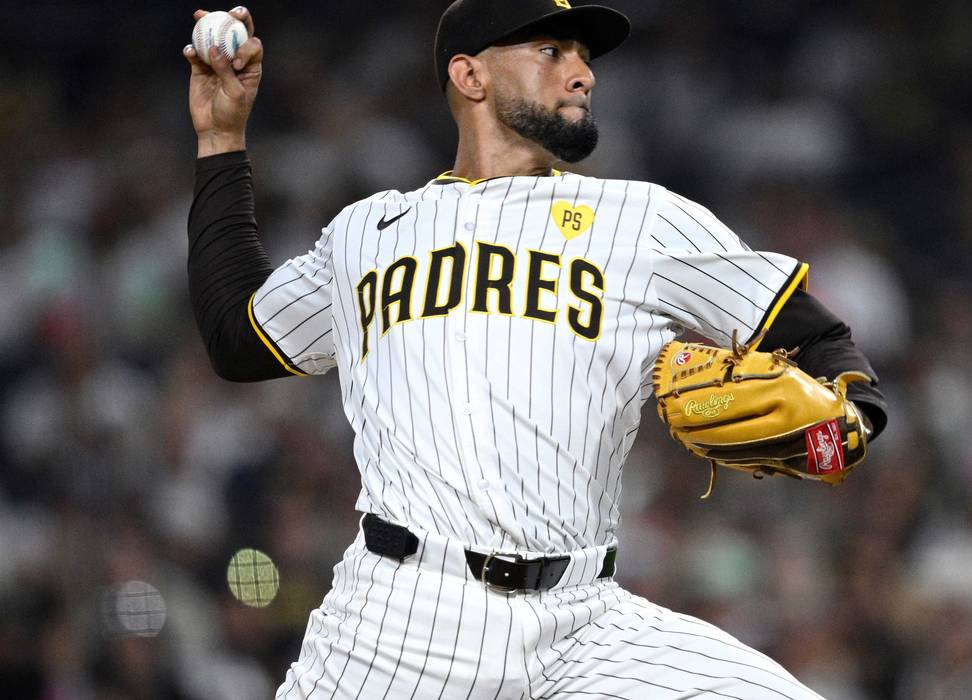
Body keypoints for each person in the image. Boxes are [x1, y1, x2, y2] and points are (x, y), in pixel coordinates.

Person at [184, 1, 888, 697]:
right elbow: (238, 338)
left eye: (583, 57)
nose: (581, 74)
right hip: (401, 623)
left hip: (586, 623)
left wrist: (848, 420)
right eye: (551, 51)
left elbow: (821, 339)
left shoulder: (644, 221)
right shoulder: (366, 232)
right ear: (470, 76)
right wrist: (221, 140)